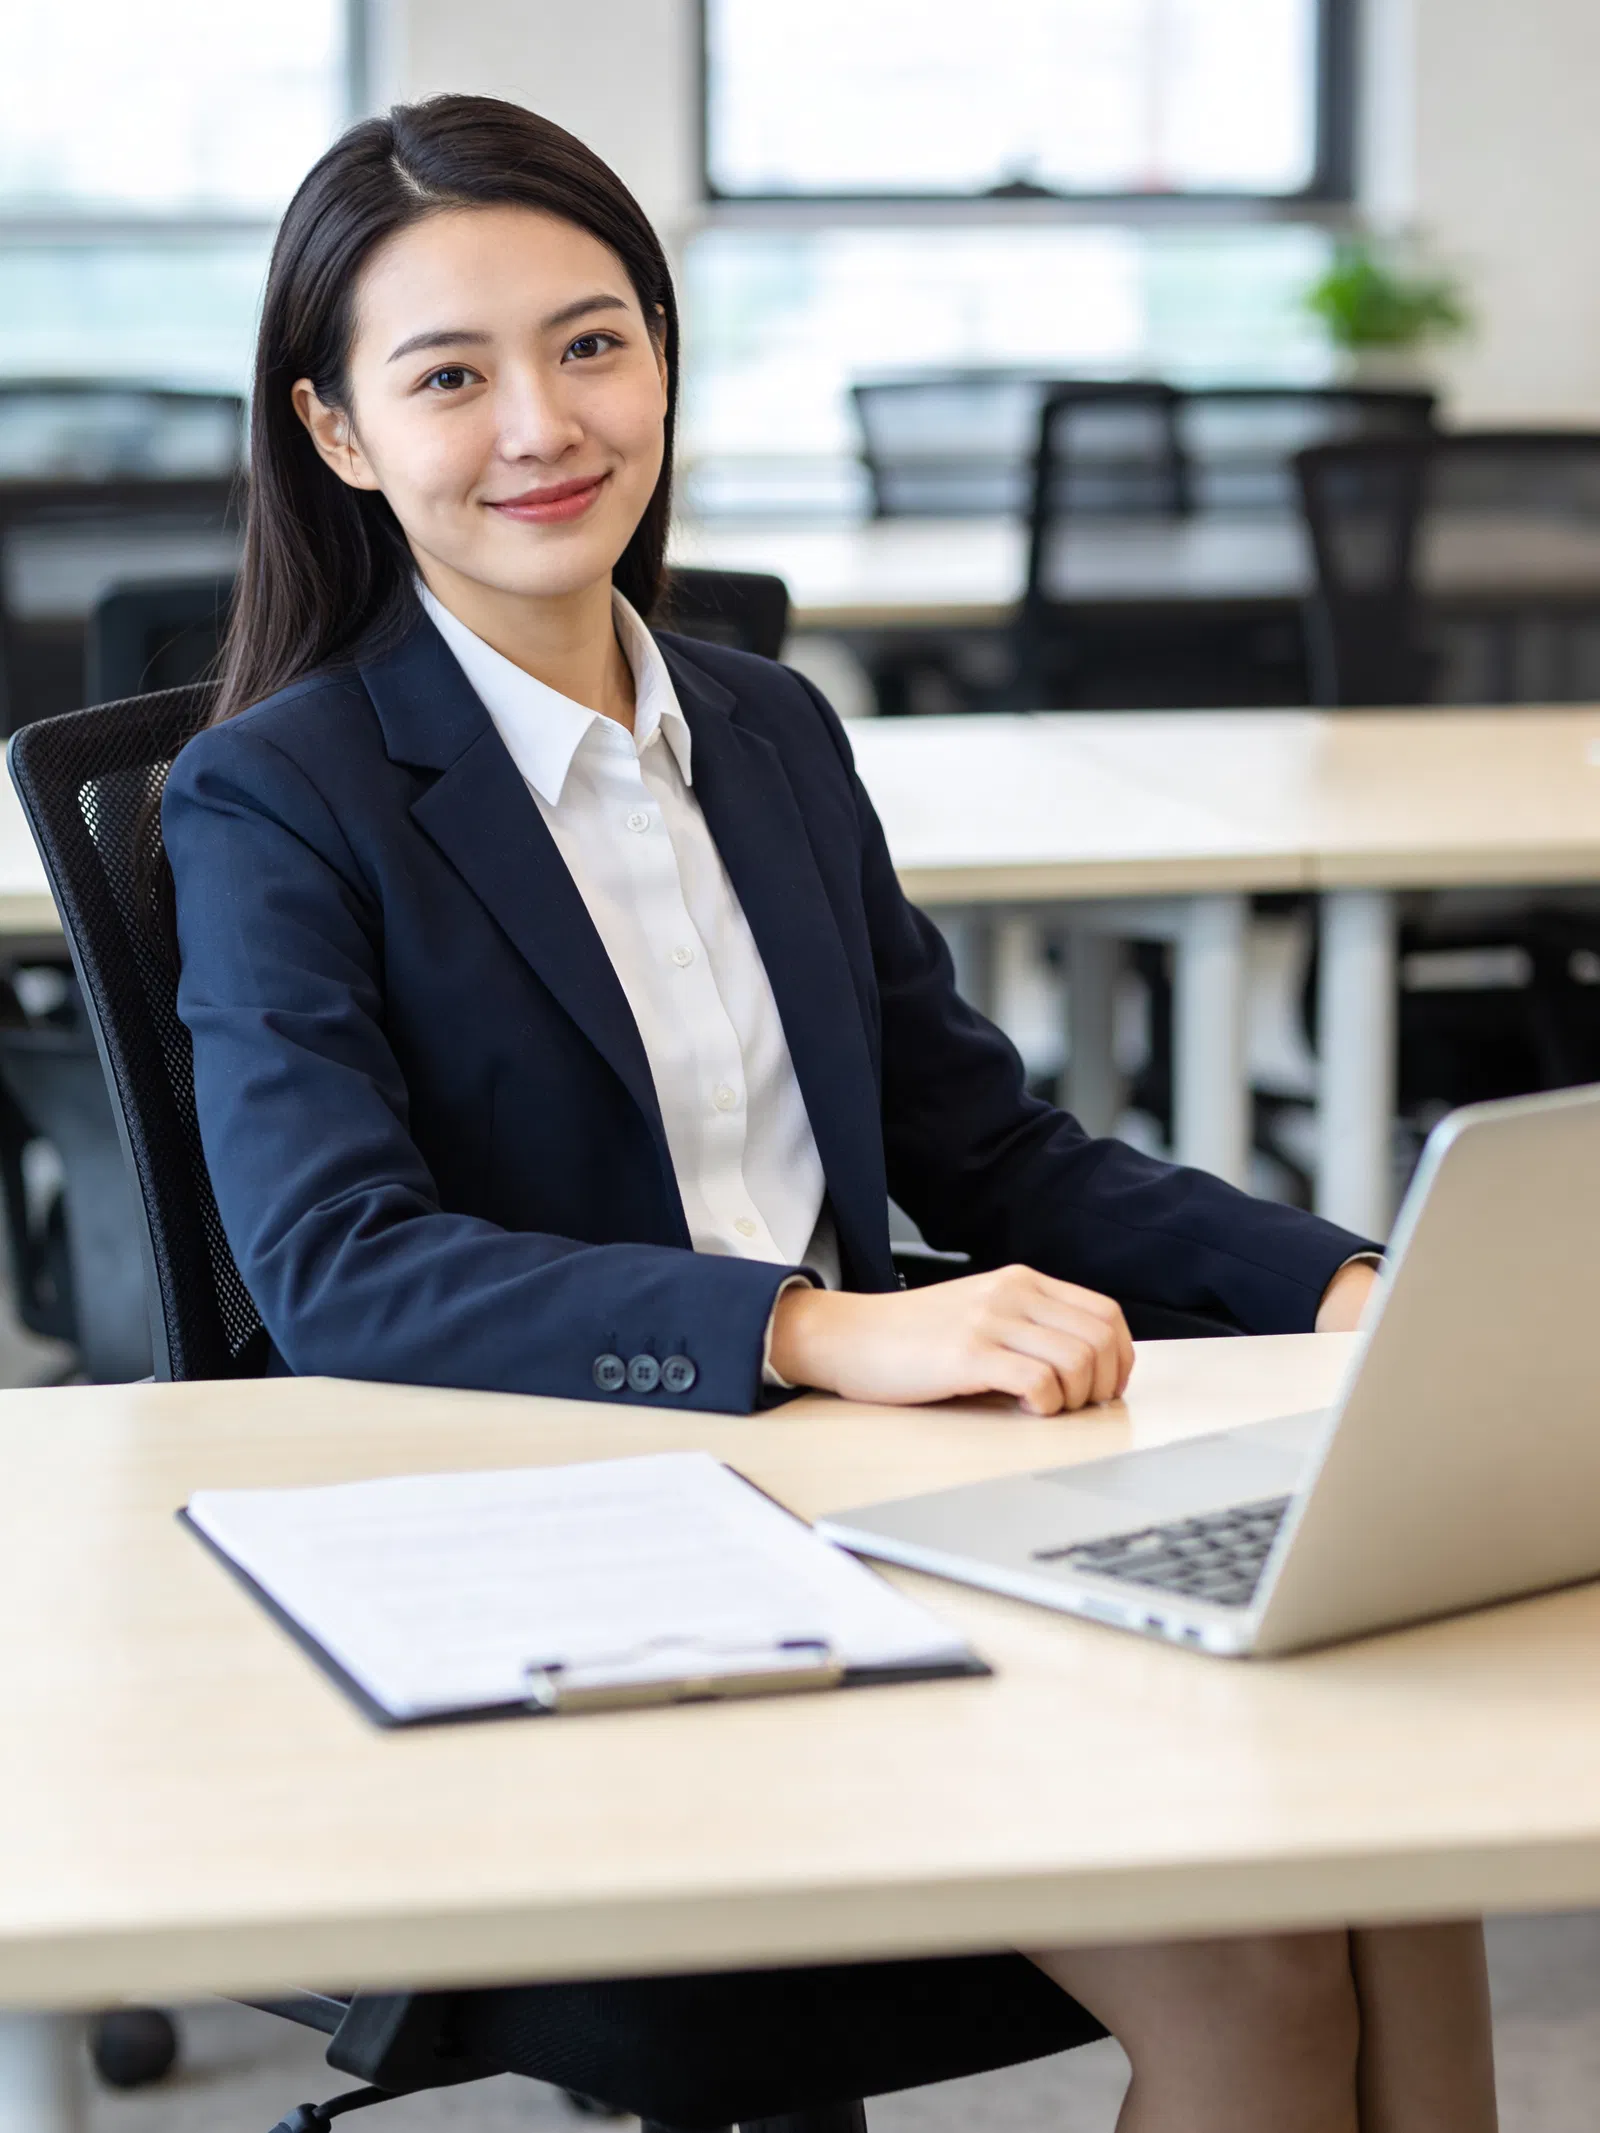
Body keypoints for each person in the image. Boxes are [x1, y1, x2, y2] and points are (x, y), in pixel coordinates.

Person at [162, 94, 1497, 2133]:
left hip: (877, 1503)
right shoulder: (280, 792)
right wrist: (806, 1326)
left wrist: (1344, 1288)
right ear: (339, 432)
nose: (542, 422)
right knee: (1249, 1966)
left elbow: (990, 1149)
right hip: (568, 1551)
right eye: (450, 374)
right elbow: (341, 1267)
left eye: (592, 342)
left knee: (1401, 1832)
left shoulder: (764, 725)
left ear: (665, 359)